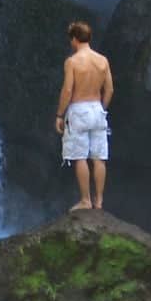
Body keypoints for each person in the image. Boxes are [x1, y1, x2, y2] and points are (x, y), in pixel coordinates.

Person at [55, 20, 114, 211]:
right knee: (98, 157)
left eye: (70, 38)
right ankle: (99, 201)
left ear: (74, 38)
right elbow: (110, 89)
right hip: (97, 109)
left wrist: (59, 114)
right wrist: (102, 108)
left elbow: (68, 89)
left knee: (80, 156)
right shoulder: (102, 60)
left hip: (78, 110)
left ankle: (85, 200)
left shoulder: (72, 61)